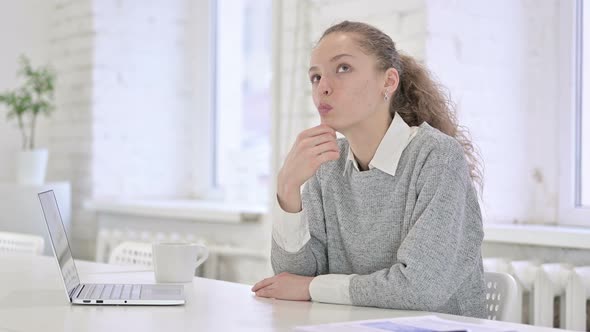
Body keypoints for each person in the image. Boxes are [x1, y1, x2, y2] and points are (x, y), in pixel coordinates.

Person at [251, 20, 486, 318]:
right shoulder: (328, 166)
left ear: (388, 81)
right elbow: (290, 281)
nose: (323, 87)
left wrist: (312, 288)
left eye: (343, 68)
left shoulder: (437, 156)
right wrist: (288, 190)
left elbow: (419, 288)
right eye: (315, 76)